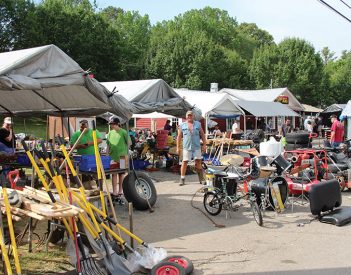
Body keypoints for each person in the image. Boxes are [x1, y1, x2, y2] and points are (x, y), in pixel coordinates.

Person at [70, 119, 102, 189]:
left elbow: (100, 140)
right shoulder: (76, 134)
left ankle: (99, 187)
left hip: (93, 156)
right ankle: (83, 187)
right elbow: (72, 145)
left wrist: (89, 143)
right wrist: (80, 146)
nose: (83, 129)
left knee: (96, 172)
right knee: (82, 172)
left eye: (84, 127)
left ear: (87, 126)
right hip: (82, 157)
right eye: (81, 127)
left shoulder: (94, 131)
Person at [177, 110, 206, 186]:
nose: (189, 117)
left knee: (198, 161)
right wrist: (178, 147)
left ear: (193, 116)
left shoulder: (198, 124)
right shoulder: (182, 125)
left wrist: (204, 145)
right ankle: (182, 178)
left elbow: (202, 135)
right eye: (188, 115)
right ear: (186, 117)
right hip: (186, 146)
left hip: (196, 146)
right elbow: (179, 137)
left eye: (191, 115)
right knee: (185, 161)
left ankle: (201, 179)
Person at [107, 117, 129, 204]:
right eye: (111, 124)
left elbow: (129, 143)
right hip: (113, 156)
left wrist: (127, 153)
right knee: (114, 174)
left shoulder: (123, 132)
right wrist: (107, 153)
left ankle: (120, 190)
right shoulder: (110, 133)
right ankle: (114, 191)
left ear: (117, 124)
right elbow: (108, 144)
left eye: (113, 124)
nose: (112, 126)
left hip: (122, 157)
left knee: (121, 173)